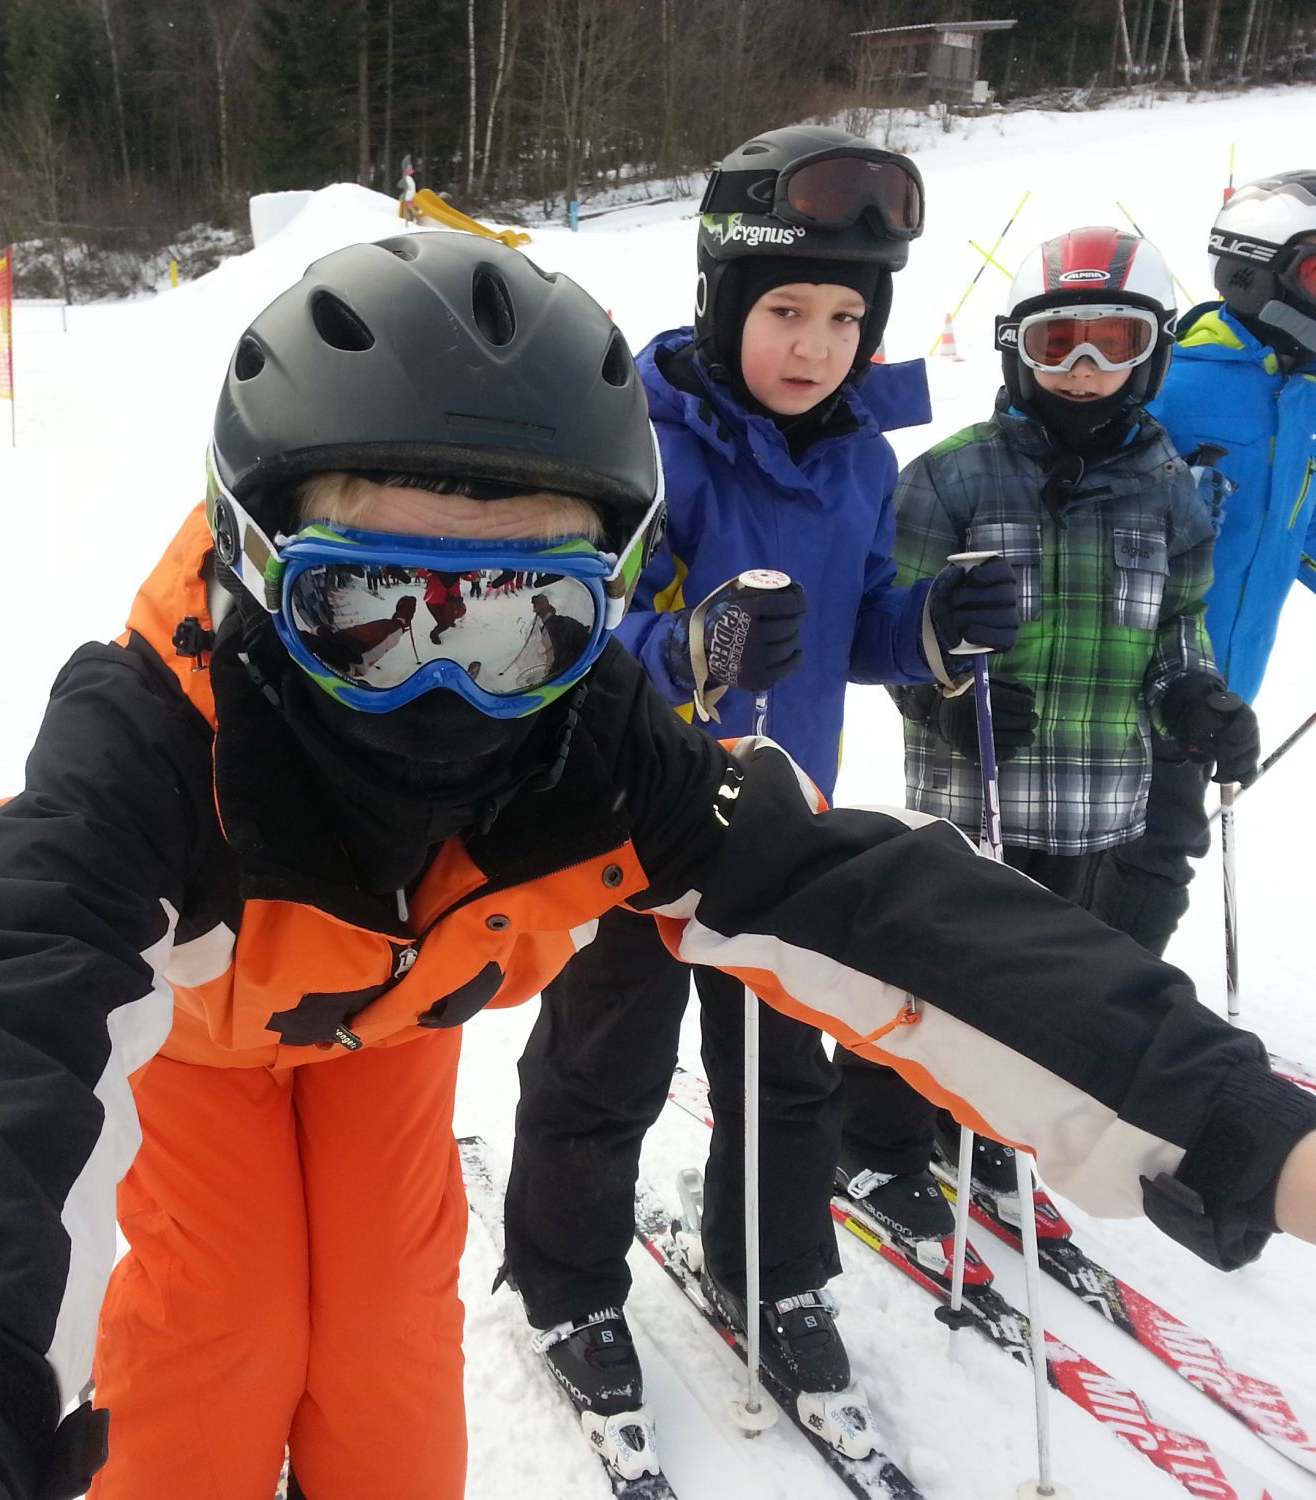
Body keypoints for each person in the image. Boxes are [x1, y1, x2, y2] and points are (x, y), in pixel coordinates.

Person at [0, 234, 1316, 1500]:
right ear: (252, 572)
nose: (449, 692)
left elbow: (895, 914)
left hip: (384, 1036)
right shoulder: (159, 738)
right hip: (192, 1050)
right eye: (367, 607)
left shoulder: (597, 745)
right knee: (206, 1362)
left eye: (526, 613)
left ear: (608, 602)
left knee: (384, 1379)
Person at [501, 124, 1022, 1466]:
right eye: (785, 310)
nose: (816, 347)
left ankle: (774, 1270)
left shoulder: (859, 461)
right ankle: (567, 1286)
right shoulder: (636, 441)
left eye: (847, 319)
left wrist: (931, 626)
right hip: (631, 814)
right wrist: (683, 648)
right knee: (605, 1064)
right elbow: (560, 629)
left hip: (784, 818)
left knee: (783, 1072)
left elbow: (849, 627)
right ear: (722, 300)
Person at [837, 227, 1261, 1237]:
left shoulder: (1171, 493)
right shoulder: (951, 477)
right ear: (1014, 348)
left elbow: (1177, 626)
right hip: (967, 793)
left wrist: (1195, 697)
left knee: (1035, 994)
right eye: (1055, 341)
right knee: (922, 972)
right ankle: (875, 1140)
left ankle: (980, 1128)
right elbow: (893, 621)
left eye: (1113, 343)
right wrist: (940, 697)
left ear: (1151, 355)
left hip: (1090, 802)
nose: (1081, 368)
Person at [1089, 171, 1316, 954]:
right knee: (1125, 852)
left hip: (1221, 684)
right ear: (1252, 269)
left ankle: (1098, 994)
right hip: (1124, 669)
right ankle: (1082, 998)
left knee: (1156, 854)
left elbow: (1296, 527)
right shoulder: (1170, 378)